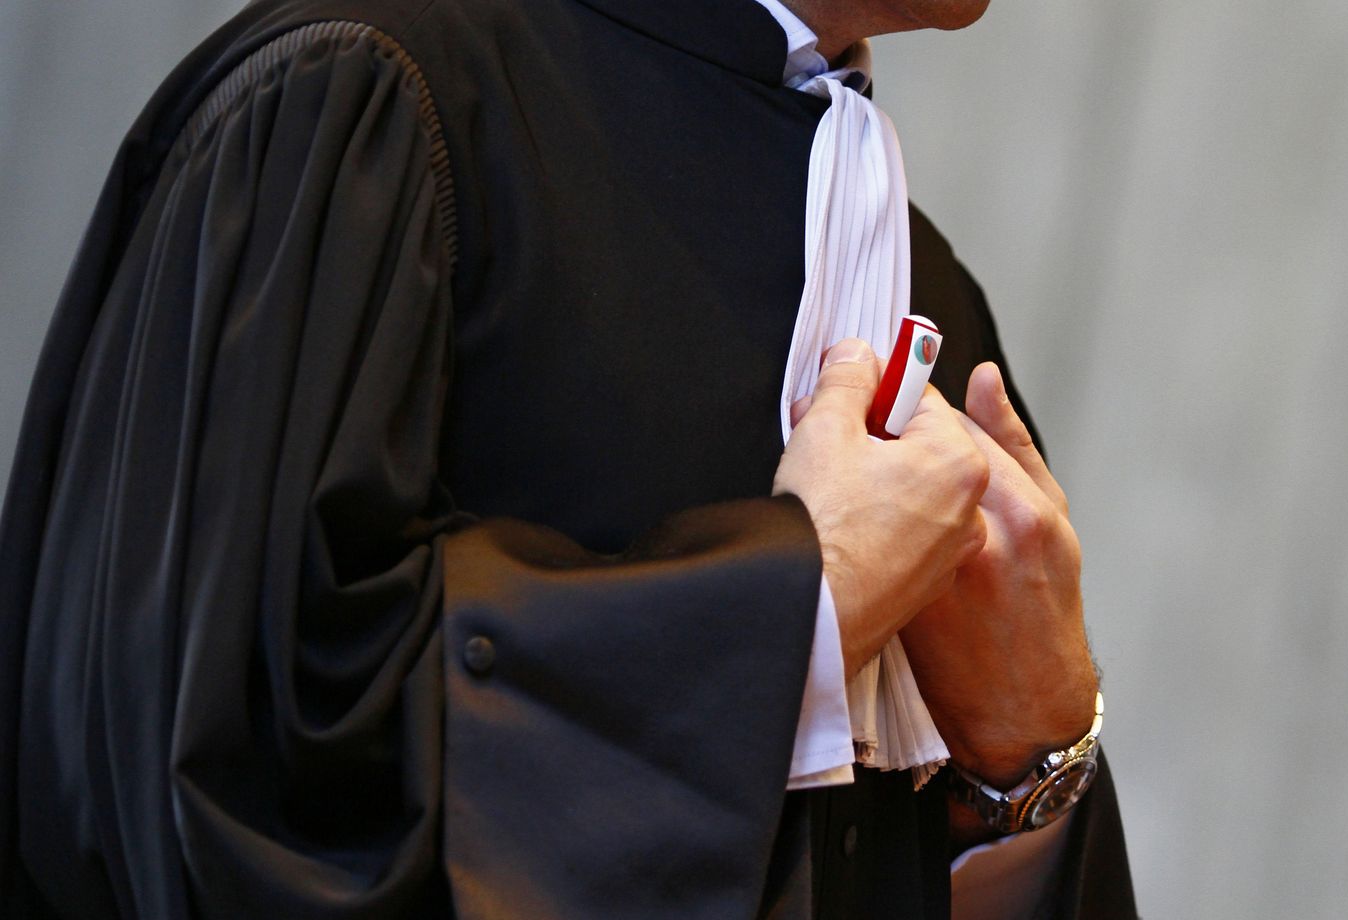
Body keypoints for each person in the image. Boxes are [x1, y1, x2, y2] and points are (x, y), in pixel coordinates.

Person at [0, 0, 1135, 916]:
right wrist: (792, 609)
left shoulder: (925, 298)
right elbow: (190, 776)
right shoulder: (363, 103)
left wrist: (1029, 769)